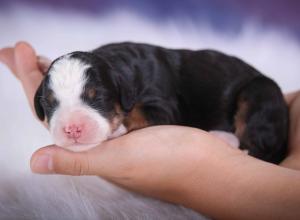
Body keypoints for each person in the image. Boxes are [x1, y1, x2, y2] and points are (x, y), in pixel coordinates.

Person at [0, 42, 300, 220]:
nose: (72, 124)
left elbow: (159, 114)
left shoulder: (146, 82)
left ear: (124, 92)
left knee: (260, 101)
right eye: (53, 105)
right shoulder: (112, 75)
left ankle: (250, 153)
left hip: (249, 95)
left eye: (95, 99)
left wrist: (228, 174)